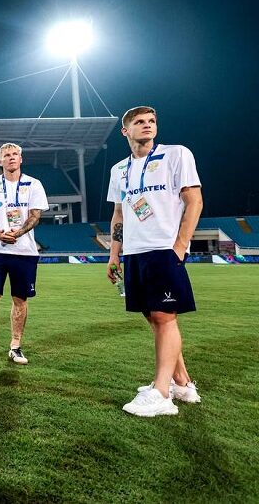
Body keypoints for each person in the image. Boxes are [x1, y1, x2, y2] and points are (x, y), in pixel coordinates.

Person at [107, 106, 203, 417]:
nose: (147, 125)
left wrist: (180, 246)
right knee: (153, 317)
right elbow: (119, 213)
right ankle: (182, 383)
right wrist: (114, 253)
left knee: (164, 317)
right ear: (126, 131)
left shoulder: (176, 154)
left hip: (164, 249)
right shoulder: (119, 169)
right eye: (139, 122)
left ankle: (161, 393)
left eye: (151, 121)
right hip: (135, 252)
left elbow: (194, 200)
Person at [0, 143, 49, 366]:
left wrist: (19, 232)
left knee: (20, 299)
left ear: (21, 159)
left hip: (24, 251)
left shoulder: (34, 184)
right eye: (6, 155)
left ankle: (15, 347)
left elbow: (35, 216)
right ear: (0, 161)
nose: (11, 157)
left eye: (15, 154)